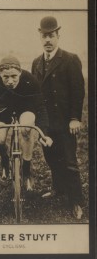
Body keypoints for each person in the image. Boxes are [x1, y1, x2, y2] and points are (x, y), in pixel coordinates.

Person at [31, 16, 85, 219]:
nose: (48, 40)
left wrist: (74, 118)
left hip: (64, 121)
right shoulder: (36, 62)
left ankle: (76, 202)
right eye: (44, 35)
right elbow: (34, 94)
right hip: (45, 123)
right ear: (40, 36)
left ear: (58, 36)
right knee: (51, 158)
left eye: (51, 35)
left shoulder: (70, 59)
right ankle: (58, 189)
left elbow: (78, 91)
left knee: (70, 162)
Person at [0, 56, 52, 190]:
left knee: (27, 128)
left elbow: (41, 108)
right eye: (5, 77)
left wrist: (44, 133)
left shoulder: (30, 79)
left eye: (14, 76)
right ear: (0, 74)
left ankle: (27, 169)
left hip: (25, 108)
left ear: (20, 73)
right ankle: (5, 159)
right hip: (4, 111)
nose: (10, 81)